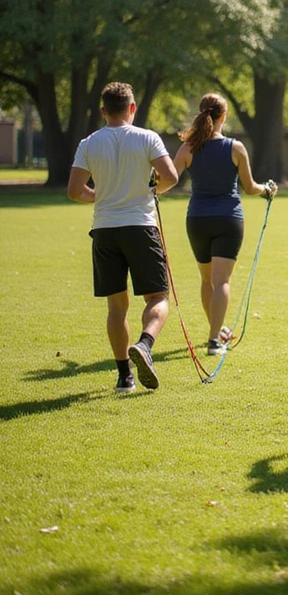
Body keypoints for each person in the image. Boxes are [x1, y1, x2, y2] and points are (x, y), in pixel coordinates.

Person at [67, 81, 179, 392]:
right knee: (157, 298)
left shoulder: (88, 143)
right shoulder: (146, 138)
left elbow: (75, 190)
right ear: (132, 108)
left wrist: (102, 195)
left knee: (117, 307)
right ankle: (144, 345)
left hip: (104, 229)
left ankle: (124, 377)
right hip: (140, 226)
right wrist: (152, 190)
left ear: (103, 110)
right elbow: (171, 176)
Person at [173, 93, 276, 355]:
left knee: (207, 280)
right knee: (221, 282)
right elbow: (251, 188)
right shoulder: (235, 147)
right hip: (228, 219)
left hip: (197, 220)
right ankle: (214, 341)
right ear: (223, 116)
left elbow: (165, 182)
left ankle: (215, 333)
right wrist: (268, 189)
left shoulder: (188, 148)